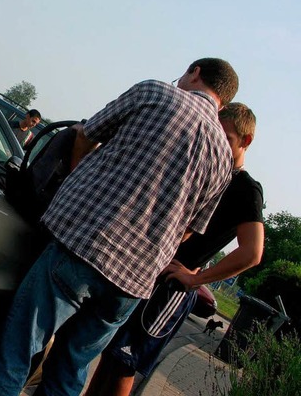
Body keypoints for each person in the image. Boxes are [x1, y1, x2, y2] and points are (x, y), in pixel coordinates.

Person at [0, 57, 239, 396]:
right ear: (223, 101)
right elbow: (189, 230)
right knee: (70, 370)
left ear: (195, 72)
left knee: (15, 352)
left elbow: (85, 133)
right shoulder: (222, 157)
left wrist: (78, 176)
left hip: (84, 245)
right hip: (132, 282)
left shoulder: (155, 92)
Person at [83, 102, 264, 396]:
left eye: (227, 139)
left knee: (124, 364)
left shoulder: (246, 188)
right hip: (145, 272)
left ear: (246, 141)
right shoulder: (205, 168)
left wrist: (196, 279)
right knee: (109, 354)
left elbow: (252, 252)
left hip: (171, 288)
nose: (218, 144)